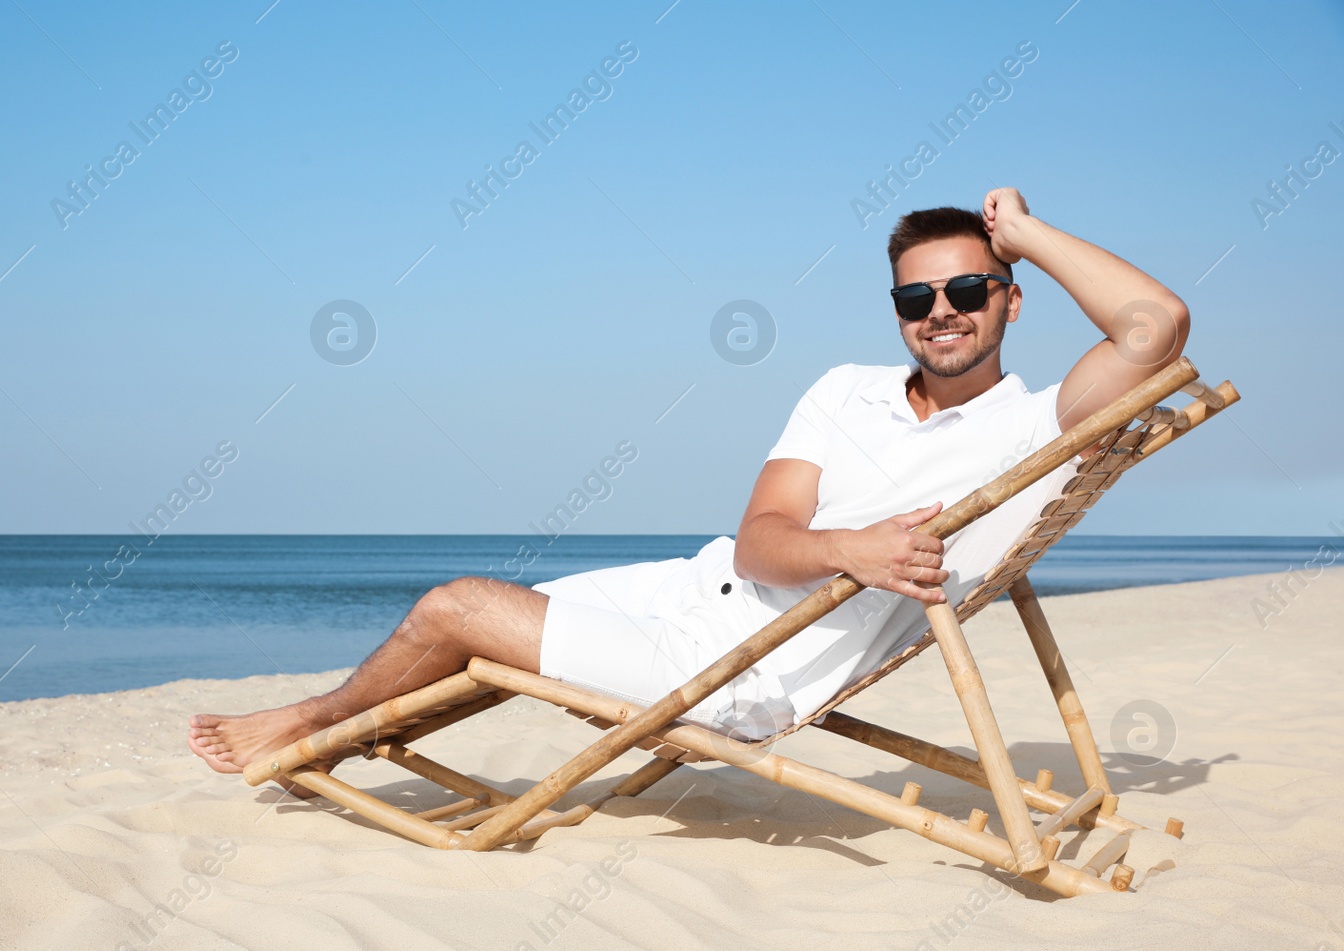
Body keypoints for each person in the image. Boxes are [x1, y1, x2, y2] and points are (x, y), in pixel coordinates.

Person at [189, 187, 1189, 789]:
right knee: (460, 633)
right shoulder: (843, 389)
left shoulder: (1035, 426)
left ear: (1009, 295)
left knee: (455, 606)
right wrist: (848, 547)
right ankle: (344, 731)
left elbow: (1155, 324)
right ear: (894, 308)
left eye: (969, 289)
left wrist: (1019, 225)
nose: (942, 312)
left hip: (734, 677)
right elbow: (760, 537)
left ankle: (312, 722)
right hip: (687, 597)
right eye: (916, 295)